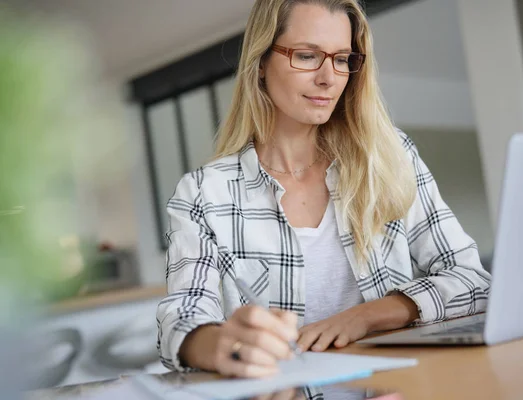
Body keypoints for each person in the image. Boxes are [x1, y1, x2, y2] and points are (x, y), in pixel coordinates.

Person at [157, 0, 491, 388]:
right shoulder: (203, 193)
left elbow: (473, 280)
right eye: (307, 56)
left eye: (342, 59)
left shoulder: (389, 159)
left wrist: (367, 315)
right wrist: (220, 344)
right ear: (261, 62)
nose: (329, 78)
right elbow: (180, 320)